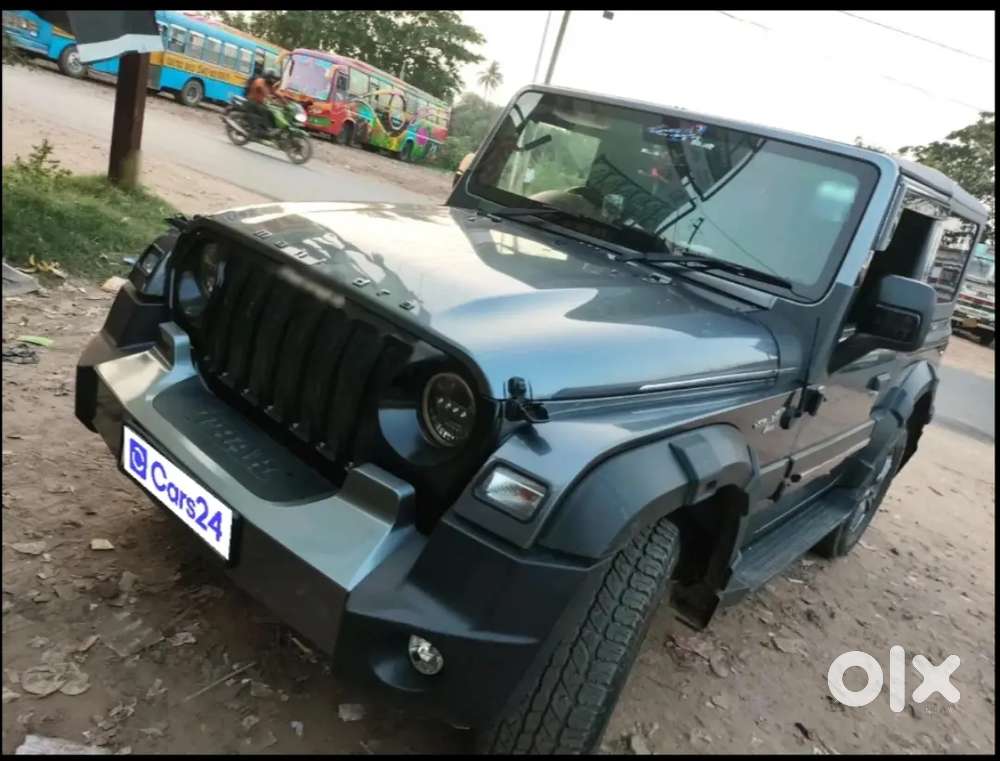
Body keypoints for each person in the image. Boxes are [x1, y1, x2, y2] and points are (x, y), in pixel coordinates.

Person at [244, 69, 280, 136]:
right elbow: (265, 92)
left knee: (270, 112)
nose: (274, 80)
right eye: (273, 78)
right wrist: (272, 101)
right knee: (264, 110)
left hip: (259, 102)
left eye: (274, 79)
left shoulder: (268, 84)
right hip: (251, 102)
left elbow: (275, 92)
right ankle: (262, 129)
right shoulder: (260, 82)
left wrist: (284, 99)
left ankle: (269, 127)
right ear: (268, 77)